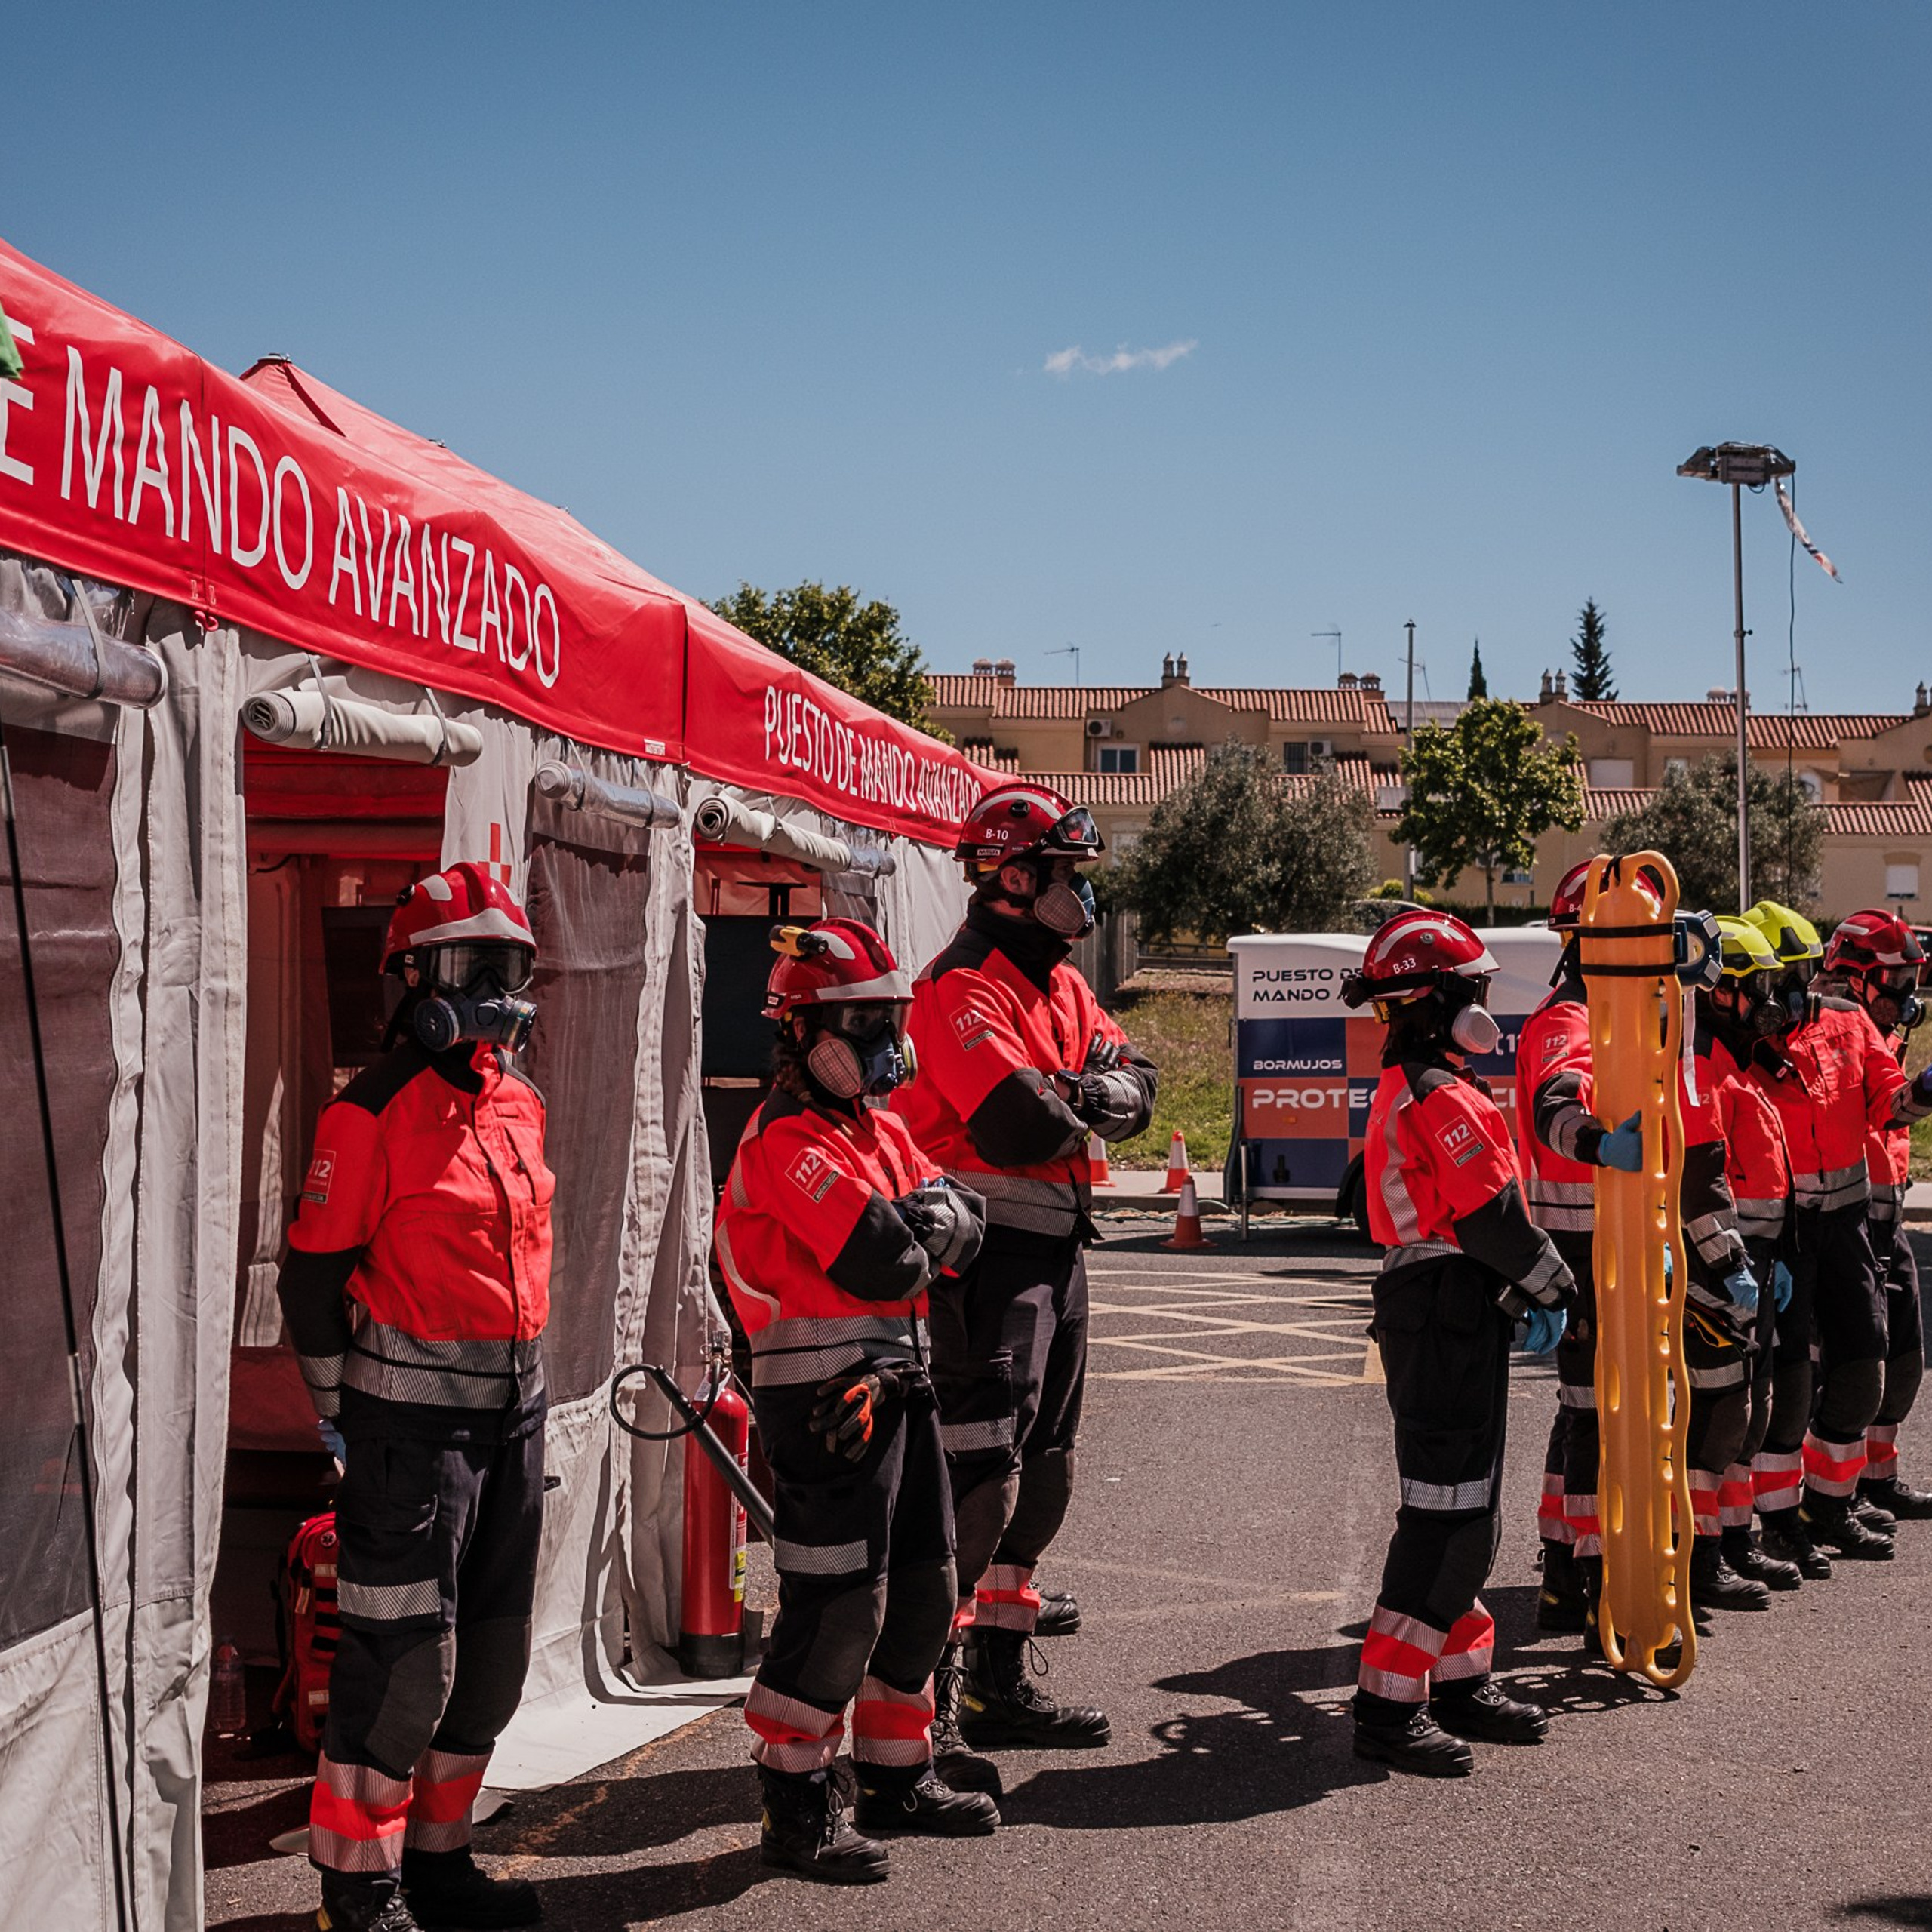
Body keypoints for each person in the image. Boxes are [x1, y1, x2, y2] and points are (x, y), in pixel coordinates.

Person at [278, 862, 552, 1932]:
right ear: (413, 978)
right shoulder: (369, 1113)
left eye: (508, 965)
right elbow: (312, 1280)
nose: (492, 986)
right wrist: (340, 1420)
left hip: (512, 1427)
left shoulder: (519, 1103)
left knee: (491, 1667)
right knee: (404, 1671)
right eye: (469, 965)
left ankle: (440, 1865)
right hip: (408, 1439)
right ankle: (359, 1886)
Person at [712, 918, 998, 1884]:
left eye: (888, 1019)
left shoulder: (876, 1127)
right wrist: (931, 1229)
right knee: (839, 1605)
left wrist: (936, 1227)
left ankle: (895, 1772)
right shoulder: (786, 1138)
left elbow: (971, 1226)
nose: (883, 1041)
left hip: (898, 1385)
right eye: (861, 1021)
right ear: (803, 1030)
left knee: (926, 1586)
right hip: (825, 1398)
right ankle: (794, 1803)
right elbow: (890, 1259)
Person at [893, 783, 1157, 1761]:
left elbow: (1137, 1079)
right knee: (982, 1478)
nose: (1079, 896)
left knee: (1044, 1474)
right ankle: (928, 1699)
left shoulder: (1059, 982)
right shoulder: (961, 984)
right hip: (984, 1260)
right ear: (1014, 876)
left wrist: (1085, 1088)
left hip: (1055, 1250)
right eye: (1066, 875)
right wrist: (1091, 1092)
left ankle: (999, 1680)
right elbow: (1015, 1120)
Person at [1344, 909, 1576, 1777]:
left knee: (1469, 1512)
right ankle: (1388, 1708)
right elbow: (1489, 1217)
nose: (1486, 1002)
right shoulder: (1436, 1093)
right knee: (1446, 1522)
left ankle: (1457, 1678)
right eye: (1474, 988)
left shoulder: (1434, 1081)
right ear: (1437, 999)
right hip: (1441, 1303)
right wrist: (1558, 1283)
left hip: (1453, 1304)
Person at [1742, 902, 1932, 1570]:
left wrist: (1926, 1089)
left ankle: (1831, 1505)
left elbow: (1889, 1103)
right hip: (1787, 1231)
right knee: (1788, 1386)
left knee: (1862, 1370)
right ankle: (1778, 1521)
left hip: (1847, 1223)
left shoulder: (1851, 1024)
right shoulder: (1751, 1038)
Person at [1515, 862, 1643, 1639]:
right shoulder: (1566, 1022)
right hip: (1580, 1242)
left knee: (1585, 1413)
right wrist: (1601, 1143)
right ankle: (1593, 1579)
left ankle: (1564, 1572)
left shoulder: (1624, 1018)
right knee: (1596, 1415)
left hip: (1617, 1243)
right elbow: (1556, 1107)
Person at [1697, 918, 1802, 1592]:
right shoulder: (1704, 1071)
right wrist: (1730, 1264)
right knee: (1716, 1422)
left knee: (1749, 1414)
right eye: (1755, 987)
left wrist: (1778, 1254)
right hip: (1720, 1268)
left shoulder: (1738, 1067)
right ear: (1718, 993)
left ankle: (1735, 1543)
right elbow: (1699, 1183)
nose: (1769, 1001)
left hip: (1756, 1263)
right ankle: (1701, 1562)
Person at [1820, 909, 1932, 1520]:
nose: (1907, 997)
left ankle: (1878, 1478)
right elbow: (1891, 1108)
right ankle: (1831, 1494)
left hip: (1889, 1215)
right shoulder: (1828, 1030)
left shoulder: (1880, 1030)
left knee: (1906, 1363)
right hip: (1845, 1221)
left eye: (1912, 982)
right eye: (1898, 981)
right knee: (1846, 1369)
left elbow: (1897, 1108)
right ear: (1857, 977)